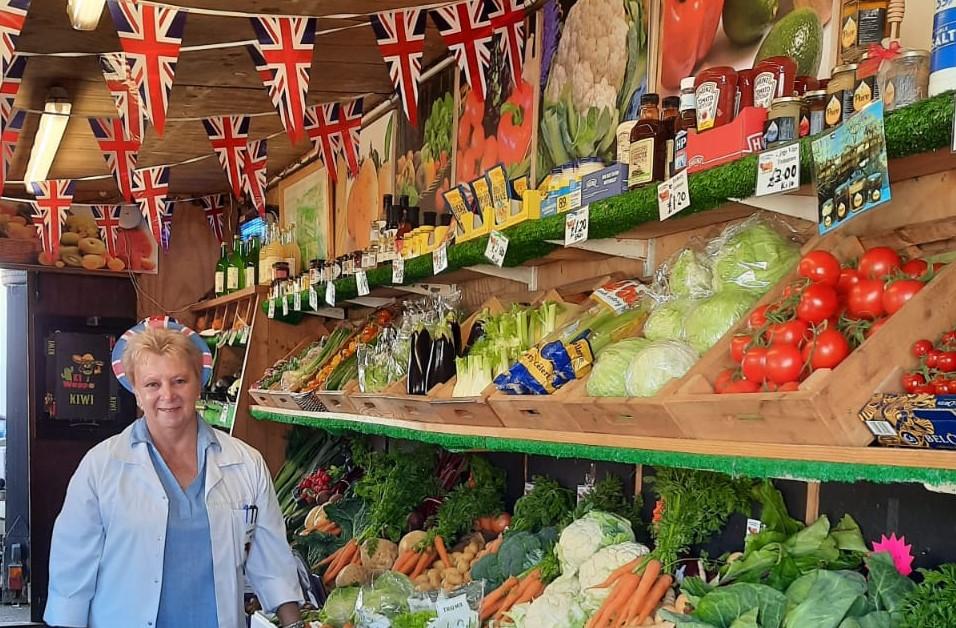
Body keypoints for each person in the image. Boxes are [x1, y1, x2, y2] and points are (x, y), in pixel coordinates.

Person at [44, 317, 305, 628]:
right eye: (152, 384)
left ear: (199, 383)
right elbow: (72, 575)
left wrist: (294, 624)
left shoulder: (246, 463)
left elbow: (273, 562)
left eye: (179, 381)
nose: (167, 395)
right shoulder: (101, 466)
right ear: (136, 393)